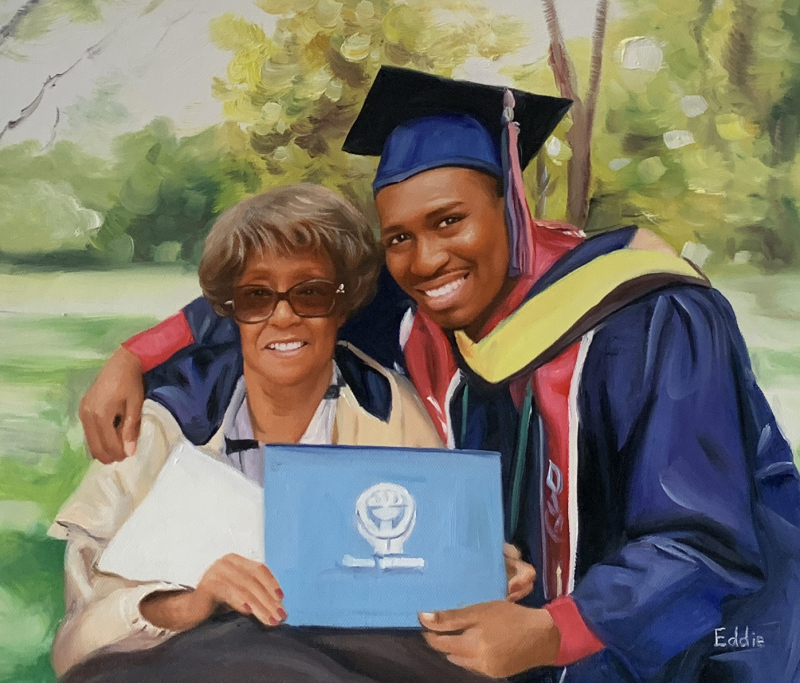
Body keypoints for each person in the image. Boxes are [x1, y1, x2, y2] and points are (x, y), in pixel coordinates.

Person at [77, 67, 800, 683]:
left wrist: (551, 630)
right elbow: (272, 300)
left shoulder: (651, 318)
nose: (424, 261)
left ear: (511, 201)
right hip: (495, 635)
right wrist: (134, 354)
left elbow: (705, 543)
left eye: (450, 221)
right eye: (399, 237)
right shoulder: (417, 308)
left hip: (694, 652)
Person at [51, 183, 535, 682]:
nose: (283, 316)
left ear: (343, 306)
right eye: (257, 296)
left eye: (311, 293)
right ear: (230, 309)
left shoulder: (389, 411)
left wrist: (486, 570)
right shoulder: (158, 429)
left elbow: (429, 557)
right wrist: (190, 602)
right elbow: (73, 648)